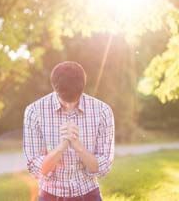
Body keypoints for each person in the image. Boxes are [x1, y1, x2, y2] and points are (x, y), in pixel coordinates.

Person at [23, 61, 115, 201]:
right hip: (50, 195)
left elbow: (102, 167)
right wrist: (61, 147)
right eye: (64, 100)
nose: (69, 105)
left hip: (89, 194)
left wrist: (78, 147)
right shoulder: (34, 111)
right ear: (55, 88)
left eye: (75, 99)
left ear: (83, 88)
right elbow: (36, 168)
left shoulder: (103, 111)